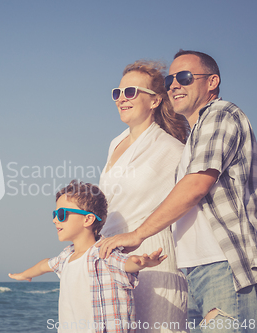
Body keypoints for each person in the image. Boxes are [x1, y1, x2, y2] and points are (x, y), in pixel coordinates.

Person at [98, 50, 257, 333]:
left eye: (184, 77)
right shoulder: (195, 135)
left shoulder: (220, 115)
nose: (174, 84)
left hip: (223, 264)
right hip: (199, 268)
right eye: (171, 79)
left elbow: (195, 186)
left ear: (212, 82)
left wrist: (137, 234)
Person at [99, 60, 190, 332]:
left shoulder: (172, 149)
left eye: (131, 92)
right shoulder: (115, 143)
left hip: (154, 259)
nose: (121, 99)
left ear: (154, 101)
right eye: (118, 92)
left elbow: (189, 198)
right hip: (112, 258)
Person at [9, 180, 167, 333]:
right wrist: (25, 274)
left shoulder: (102, 252)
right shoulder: (65, 257)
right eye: (55, 213)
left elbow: (124, 264)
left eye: (62, 214)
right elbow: (45, 265)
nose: (55, 219)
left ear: (88, 219)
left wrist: (142, 263)